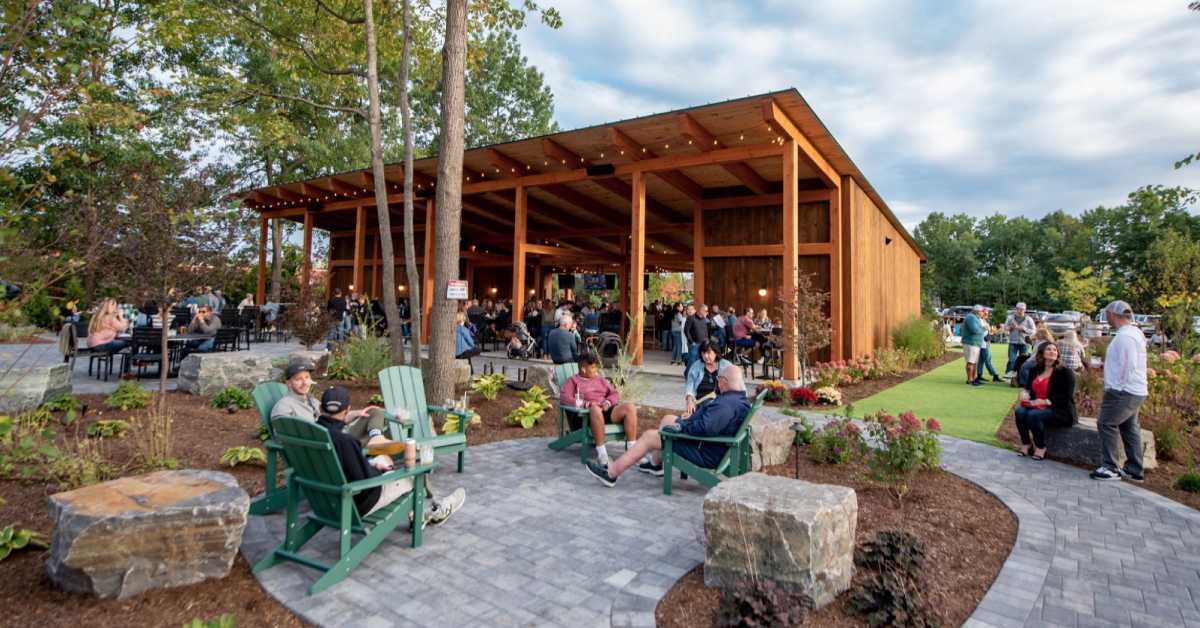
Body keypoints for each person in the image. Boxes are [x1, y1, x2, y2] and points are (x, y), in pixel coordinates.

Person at [316, 386, 465, 524]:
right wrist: (382, 471)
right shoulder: (345, 441)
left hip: (323, 501)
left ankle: (421, 513)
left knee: (381, 460)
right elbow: (364, 481)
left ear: (321, 408)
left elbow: (347, 467)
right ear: (348, 409)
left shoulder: (312, 434)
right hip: (356, 503)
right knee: (415, 475)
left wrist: (372, 464)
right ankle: (429, 514)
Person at [586, 364, 750, 485]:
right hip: (708, 444)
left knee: (650, 436)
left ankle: (611, 473)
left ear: (724, 381)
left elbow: (705, 428)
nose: (718, 383)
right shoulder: (738, 400)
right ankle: (656, 465)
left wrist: (681, 427)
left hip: (705, 451)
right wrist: (686, 420)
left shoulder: (725, 405)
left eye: (719, 380)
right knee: (668, 419)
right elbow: (709, 423)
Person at [271, 362, 394, 449]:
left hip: (336, 436)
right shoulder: (284, 406)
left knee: (375, 412)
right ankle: (376, 441)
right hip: (323, 447)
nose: (305, 382)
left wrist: (357, 413)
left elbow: (333, 418)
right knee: (380, 434)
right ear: (288, 383)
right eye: (298, 379)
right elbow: (281, 435)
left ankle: (376, 437)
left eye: (307, 377)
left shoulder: (312, 401)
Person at [1090, 300, 1148, 482]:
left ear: (1113, 315)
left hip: (1123, 391)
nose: (1106, 317)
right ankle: (1134, 469)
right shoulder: (1134, 333)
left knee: (1106, 423)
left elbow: (1127, 366)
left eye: (1107, 314)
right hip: (1135, 390)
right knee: (1129, 427)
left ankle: (1110, 467)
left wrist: (1116, 387)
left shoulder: (1125, 337)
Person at [559, 353, 638, 466]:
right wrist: (587, 404)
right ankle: (602, 455)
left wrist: (608, 402)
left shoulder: (600, 379)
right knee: (595, 409)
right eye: (592, 367)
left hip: (604, 411)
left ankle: (633, 451)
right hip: (585, 417)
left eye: (596, 367)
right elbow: (564, 398)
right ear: (583, 369)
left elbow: (614, 393)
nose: (595, 370)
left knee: (629, 408)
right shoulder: (573, 381)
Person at [1014, 342, 1077, 460]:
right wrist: (1025, 394)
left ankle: (1040, 446)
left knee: (1033, 415)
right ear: (1041, 353)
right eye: (1049, 349)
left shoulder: (1065, 372)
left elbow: (1065, 397)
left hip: (1059, 409)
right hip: (1036, 405)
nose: (1053, 351)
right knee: (1020, 412)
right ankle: (1026, 443)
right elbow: (1028, 389)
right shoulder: (1034, 370)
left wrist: (1043, 402)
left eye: (1055, 350)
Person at [685, 341, 732, 416]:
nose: (705, 356)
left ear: (716, 353)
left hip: (719, 404)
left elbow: (737, 385)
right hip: (700, 403)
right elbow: (690, 384)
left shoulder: (726, 365)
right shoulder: (696, 366)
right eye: (703, 353)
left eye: (708, 353)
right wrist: (689, 401)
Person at [1004, 303, 1036, 377]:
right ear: (1016, 309)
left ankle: (1020, 376)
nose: (1020, 311)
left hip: (1024, 343)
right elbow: (1005, 328)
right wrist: (1010, 328)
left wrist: (1024, 329)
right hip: (1013, 342)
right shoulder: (1010, 318)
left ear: (1025, 310)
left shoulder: (1029, 319)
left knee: (1023, 361)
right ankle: (1008, 375)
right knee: (1011, 360)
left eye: (1022, 309)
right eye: (1019, 309)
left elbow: (1034, 331)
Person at [973, 307, 1003, 384]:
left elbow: (988, 333)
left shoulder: (984, 321)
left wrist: (995, 331)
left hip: (984, 343)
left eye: (987, 313)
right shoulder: (980, 321)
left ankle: (979, 375)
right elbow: (982, 332)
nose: (987, 314)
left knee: (981, 361)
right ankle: (995, 375)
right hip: (983, 344)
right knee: (988, 360)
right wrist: (992, 332)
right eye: (985, 313)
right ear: (981, 313)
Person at [961, 305, 987, 386]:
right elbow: (975, 330)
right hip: (971, 343)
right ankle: (970, 380)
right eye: (982, 311)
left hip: (975, 343)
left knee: (974, 362)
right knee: (971, 362)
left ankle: (973, 378)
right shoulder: (971, 317)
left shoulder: (975, 318)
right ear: (978, 311)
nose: (983, 313)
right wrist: (984, 328)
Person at [684, 304, 708, 373]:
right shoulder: (691, 318)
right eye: (706, 311)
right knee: (692, 360)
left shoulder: (704, 319)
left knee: (699, 361)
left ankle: (693, 374)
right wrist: (691, 342)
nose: (707, 312)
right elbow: (686, 330)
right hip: (694, 344)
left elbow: (705, 330)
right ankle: (688, 374)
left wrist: (707, 340)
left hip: (702, 343)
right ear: (701, 310)